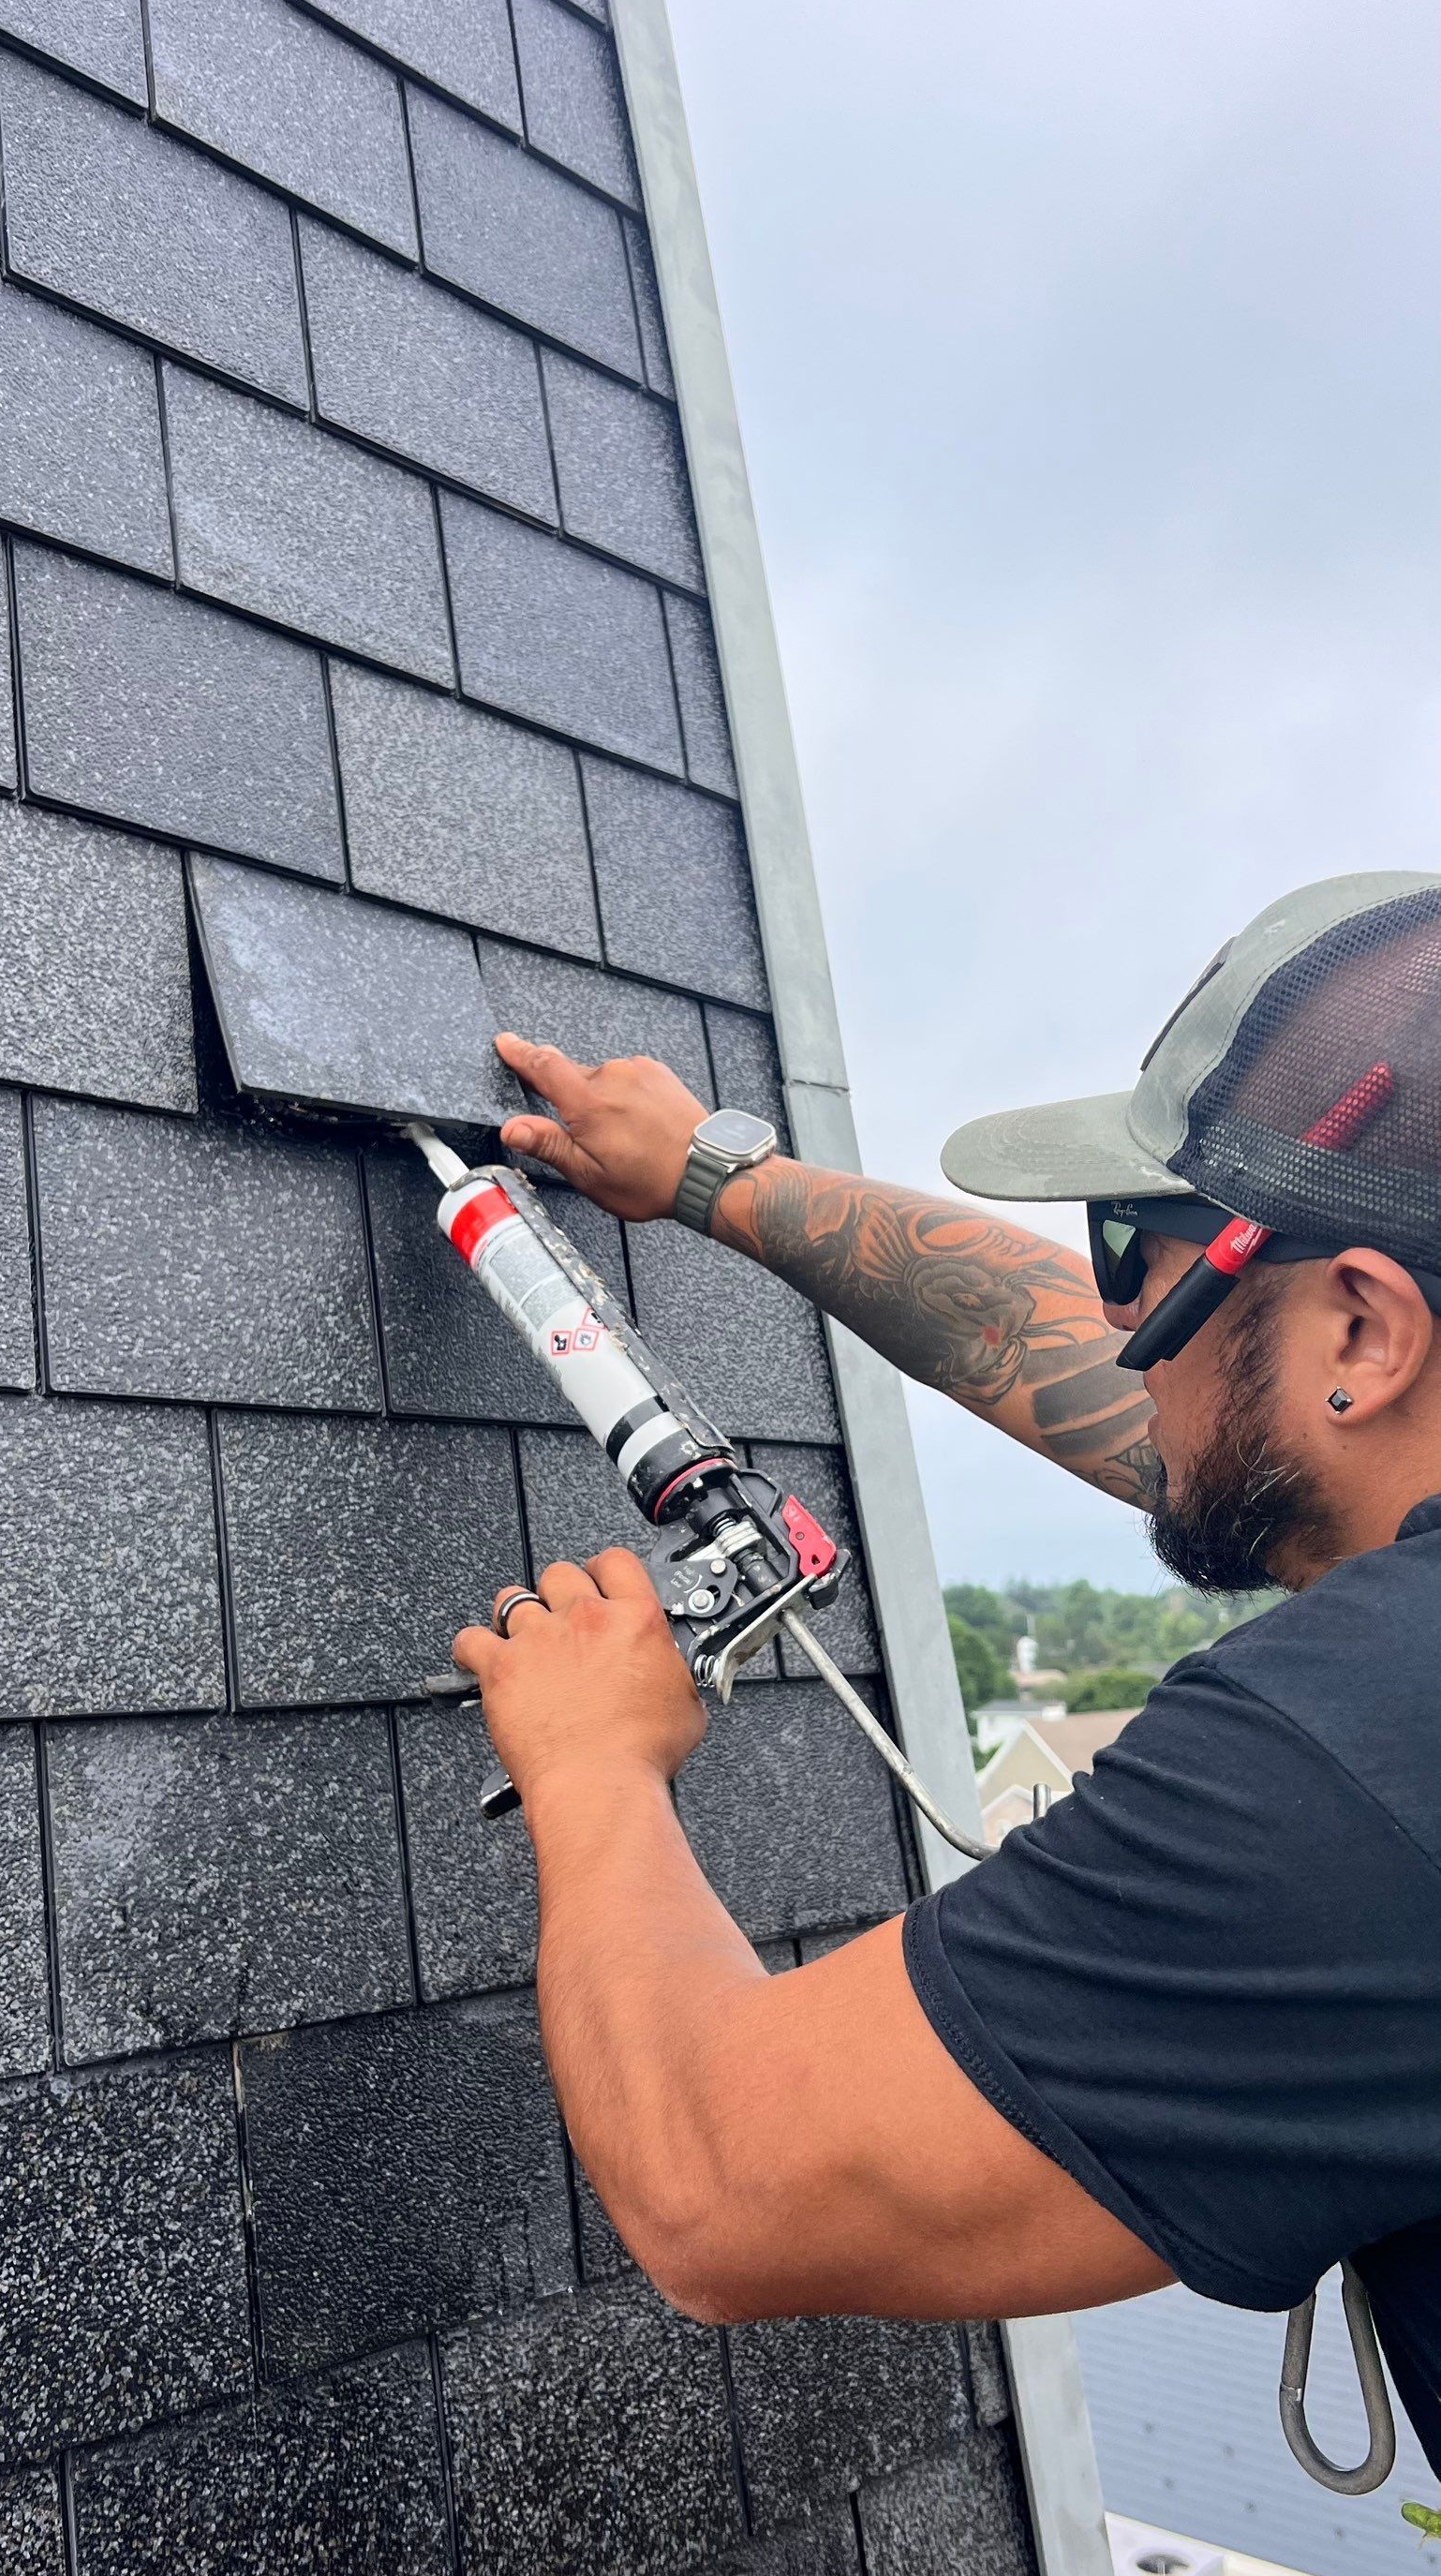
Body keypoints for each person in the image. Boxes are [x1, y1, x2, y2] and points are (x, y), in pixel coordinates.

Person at [452, 870, 1441, 2482]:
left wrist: (590, 1764)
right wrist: (718, 1177)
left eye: (1139, 1249)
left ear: (1362, 1335)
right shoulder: (1381, 1464)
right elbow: (1134, 1381)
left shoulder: (1370, 1761)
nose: (1116, 1316)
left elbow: (716, 2182)